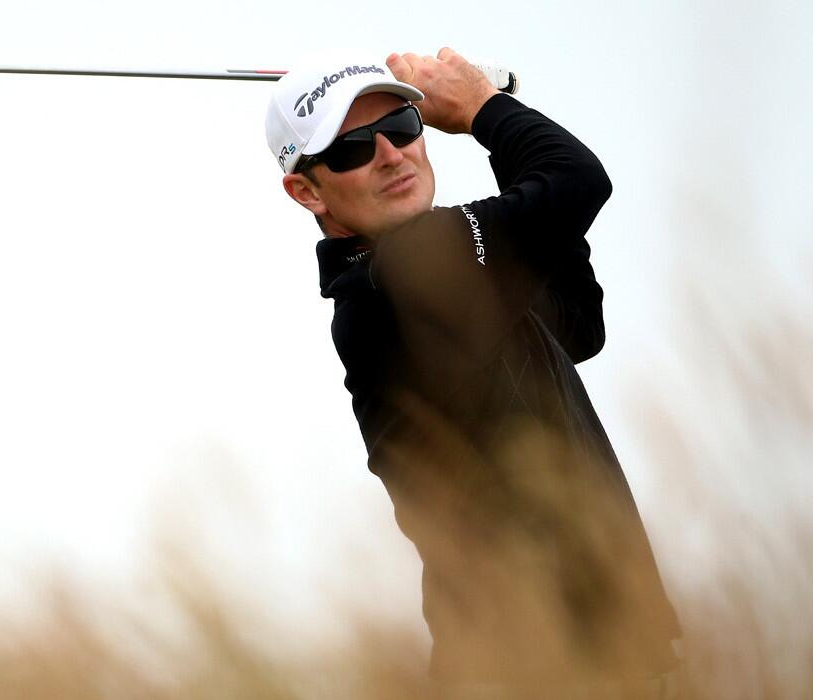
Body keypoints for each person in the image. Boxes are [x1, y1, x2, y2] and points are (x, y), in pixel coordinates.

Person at [264, 50, 687, 698]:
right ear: (307, 190)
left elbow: (577, 323)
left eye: (404, 126)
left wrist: (495, 130)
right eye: (351, 148)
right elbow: (576, 180)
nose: (391, 154)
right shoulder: (403, 275)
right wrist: (482, 108)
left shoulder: (435, 279)